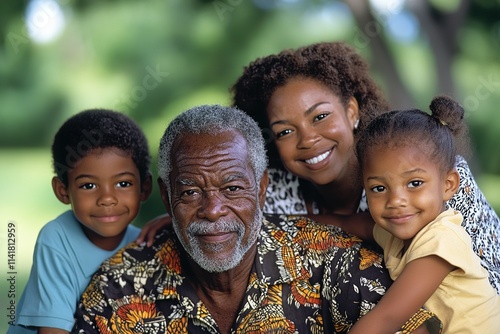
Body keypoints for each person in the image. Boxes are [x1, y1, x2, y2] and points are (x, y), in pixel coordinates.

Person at [72, 104, 441, 334]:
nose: (213, 210)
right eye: (190, 192)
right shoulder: (116, 290)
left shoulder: (336, 263)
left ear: (262, 188)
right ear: (167, 197)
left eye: (233, 188)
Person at [230, 41, 500, 294]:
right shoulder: (269, 192)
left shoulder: (438, 176)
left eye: (320, 116)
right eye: (285, 131)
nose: (308, 139)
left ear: (351, 111)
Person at [347, 95, 500, 333]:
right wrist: (295, 221)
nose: (396, 200)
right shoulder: (396, 232)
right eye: (379, 188)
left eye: (415, 183)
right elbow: (353, 224)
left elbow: (386, 319)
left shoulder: (442, 241)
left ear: (448, 185)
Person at [7, 109, 153, 334]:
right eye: (88, 186)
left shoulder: (144, 243)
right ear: (63, 191)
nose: (107, 199)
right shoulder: (56, 239)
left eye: (123, 184)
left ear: (144, 188)